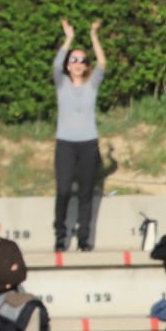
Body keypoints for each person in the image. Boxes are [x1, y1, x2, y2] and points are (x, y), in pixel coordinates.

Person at [53, 18, 105, 252]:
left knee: (85, 192)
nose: (76, 63)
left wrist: (94, 35)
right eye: (73, 59)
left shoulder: (91, 85)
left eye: (81, 60)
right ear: (68, 64)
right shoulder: (61, 83)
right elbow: (55, 64)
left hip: (88, 144)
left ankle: (84, 238)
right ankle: (61, 235)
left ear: (85, 66)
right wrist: (69, 39)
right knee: (63, 190)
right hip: (65, 144)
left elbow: (102, 63)